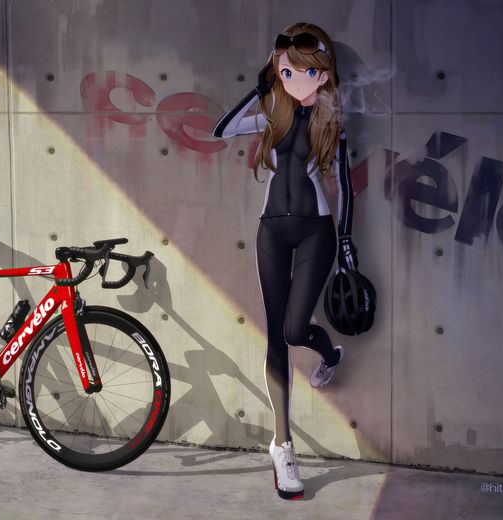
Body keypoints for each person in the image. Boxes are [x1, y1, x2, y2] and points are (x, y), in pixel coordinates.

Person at [212, 22, 359, 500]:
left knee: (298, 331)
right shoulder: (270, 116)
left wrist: (348, 243)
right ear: (279, 70)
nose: (299, 79)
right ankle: (282, 444)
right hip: (272, 231)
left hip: (317, 232)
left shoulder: (331, 119)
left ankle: (329, 352)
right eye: (288, 70)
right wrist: (260, 86)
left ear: (324, 73)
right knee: (276, 333)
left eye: (309, 71)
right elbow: (222, 128)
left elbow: (346, 184)